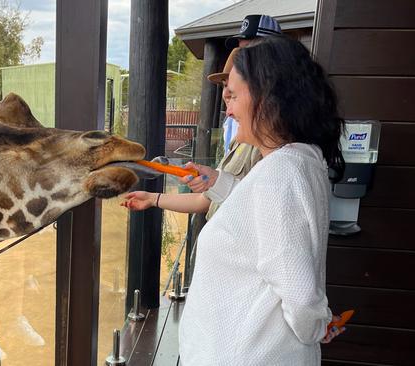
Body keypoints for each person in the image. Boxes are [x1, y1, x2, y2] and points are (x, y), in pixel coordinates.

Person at [123, 37, 345, 364]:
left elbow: (298, 293)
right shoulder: (300, 162)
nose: (227, 110)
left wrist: (316, 325)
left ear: (270, 100)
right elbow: (259, 217)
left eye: (234, 96)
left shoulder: (280, 175)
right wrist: (217, 182)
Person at [181, 14, 283, 219]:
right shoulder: (239, 127)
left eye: (252, 51)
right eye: (225, 86)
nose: (226, 95)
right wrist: (215, 180)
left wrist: (216, 182)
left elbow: (264, 212)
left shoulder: (285, 152)